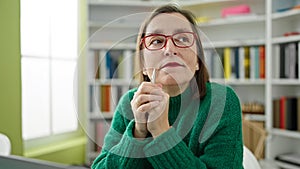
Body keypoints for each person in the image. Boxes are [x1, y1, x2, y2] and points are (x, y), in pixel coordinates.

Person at [92, 4, 243, 169]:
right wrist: (138, 133)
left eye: (183, 39)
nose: (170, 49)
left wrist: (161, 131)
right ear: (143, 62)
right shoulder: (129, 103)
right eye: (157, 41)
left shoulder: (221, 101)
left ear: (198, 60)